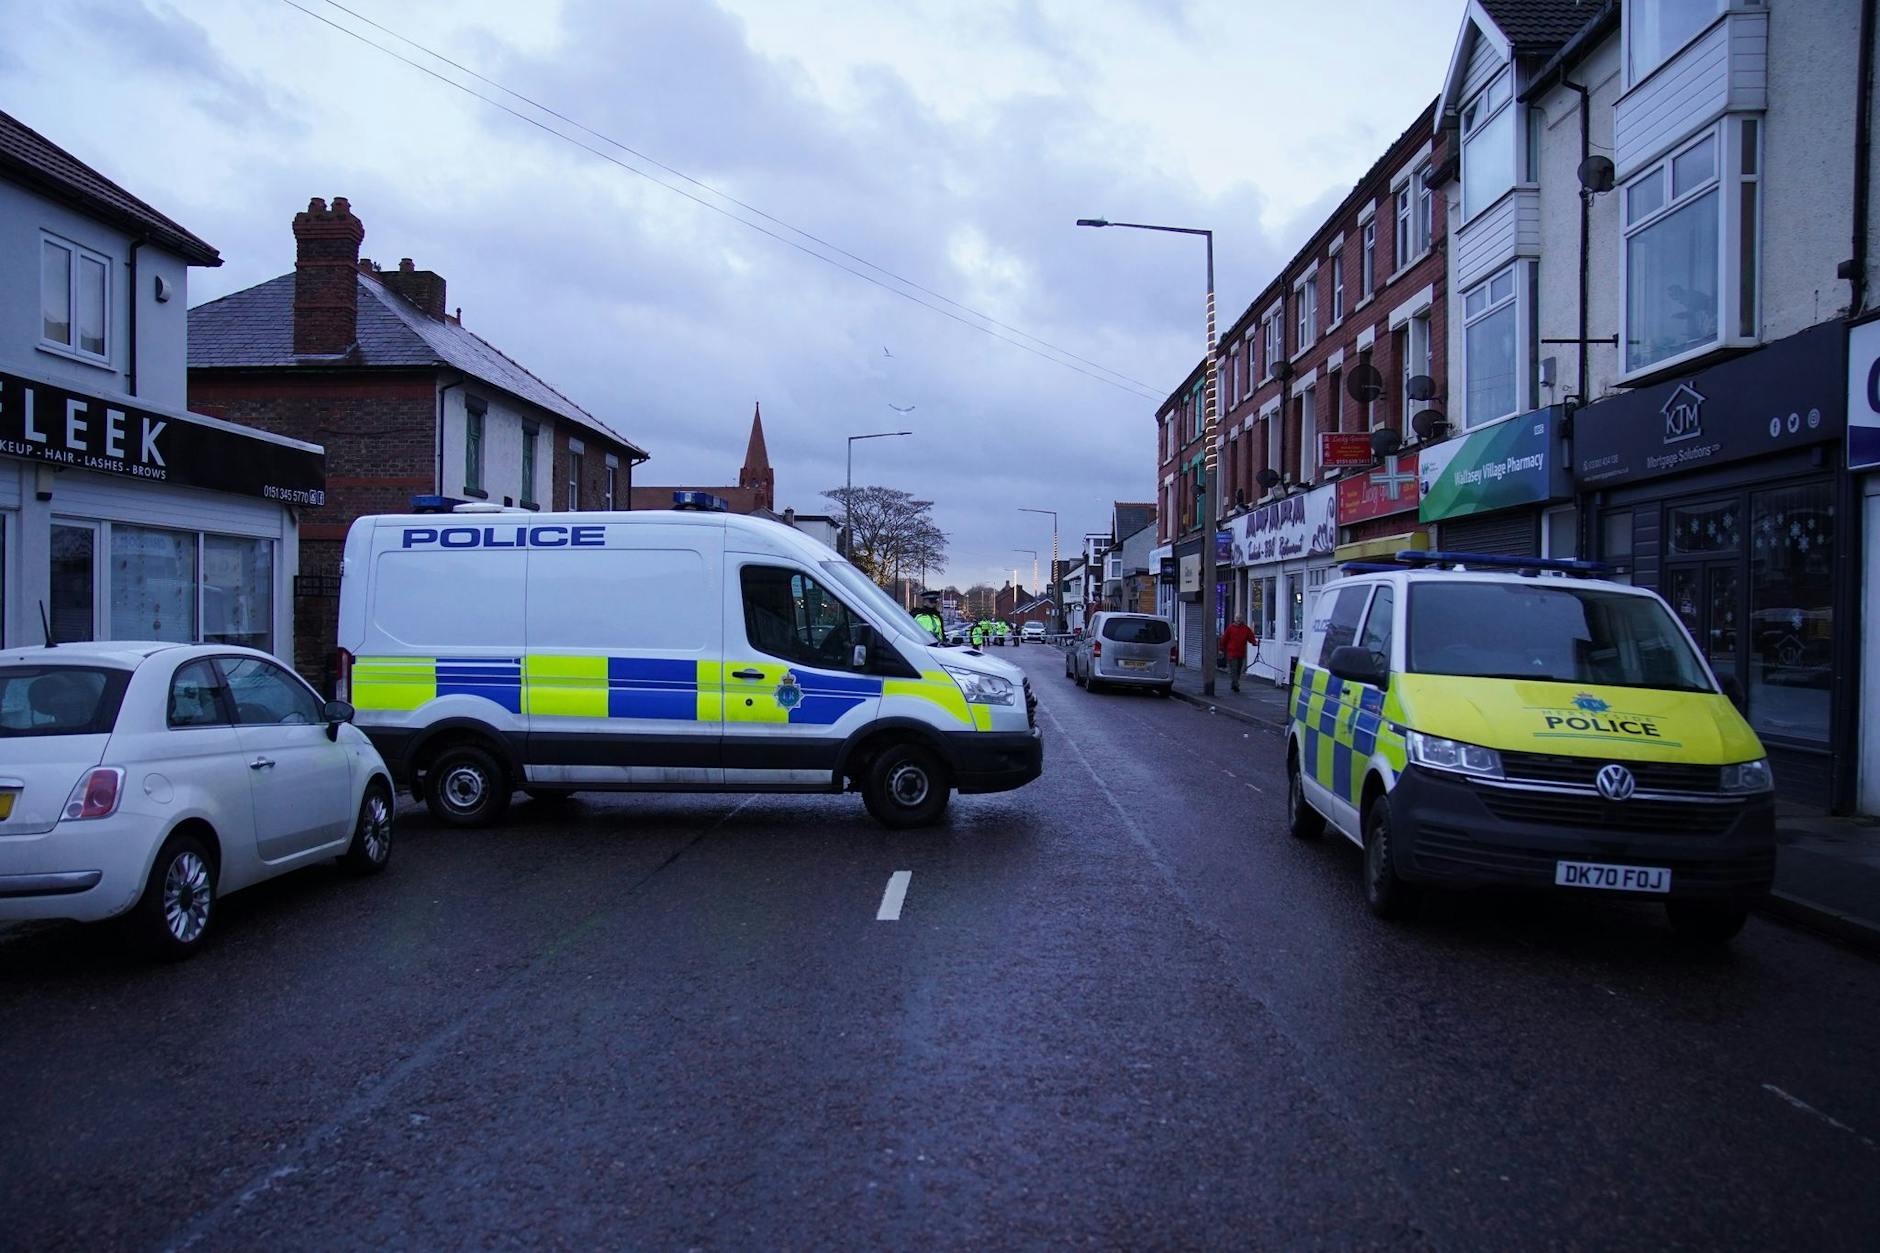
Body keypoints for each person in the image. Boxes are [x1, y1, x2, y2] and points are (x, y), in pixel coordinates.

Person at [1220, 614, 1257, 693]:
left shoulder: (1245, 629)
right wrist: (1221, 649)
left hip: (1241, 653)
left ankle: (1234, 683)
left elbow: (1250, 637)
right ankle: (1236, 684)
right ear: (1235, 619)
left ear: (1242, 619)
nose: (1238, 619)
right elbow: (1224, 639)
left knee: (1238, 669)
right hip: (1232, 652)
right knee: (1234, 668)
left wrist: (1254, 642)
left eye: (1240, 618)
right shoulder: (1230, 628)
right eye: (1237, 618)